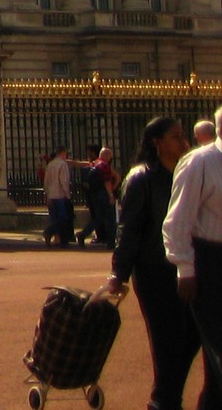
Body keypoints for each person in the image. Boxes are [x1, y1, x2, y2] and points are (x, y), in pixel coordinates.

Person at [105, 115, 215, 410]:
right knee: (167, 343)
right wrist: (119, 273)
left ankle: (166, 398)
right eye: (176, 137)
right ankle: (164, 401)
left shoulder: (186, 171)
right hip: (154, 272)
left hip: (187, 270)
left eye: (182, 136)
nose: (184, 142)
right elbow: (129, 230)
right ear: (157, 143)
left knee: (193, 338)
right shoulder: (141, 178)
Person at [164, 107, 222, 405]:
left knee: (216, 371)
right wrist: (185, 269)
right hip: (210, 262)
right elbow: (178, 219)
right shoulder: (200, 162)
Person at [78, 147, 118, 248]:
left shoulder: (94, 164)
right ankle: (111, 242)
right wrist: (111, 195)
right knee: (110, 219)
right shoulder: (104, 166)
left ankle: (83, 234)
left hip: (95, 195)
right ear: (108, 157)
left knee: (98, 218)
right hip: (104, 194)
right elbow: (107, 182)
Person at [44, 147, 82, 246]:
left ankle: (58, 238)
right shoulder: (62, 164)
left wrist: (47, 195)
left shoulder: (50, 164)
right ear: (63, 153)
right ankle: (51, 232)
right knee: (63, 219)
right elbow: (64, 181)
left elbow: (46, 181)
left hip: (51, 195)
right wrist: (67, 195)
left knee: (54, 218)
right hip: (60, 195)